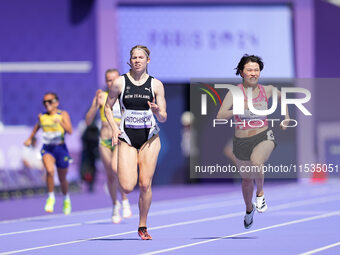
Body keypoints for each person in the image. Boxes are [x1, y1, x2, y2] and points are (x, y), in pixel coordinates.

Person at [216, 54, 289, 229]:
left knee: (257, 162)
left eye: (256, 70)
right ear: (242, 72)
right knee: (247, 179)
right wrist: (239, 108)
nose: (253, 73)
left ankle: (261, 193)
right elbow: (220, 115)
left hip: (263, 135)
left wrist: (286, 117)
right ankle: (249, 209)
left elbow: (284, 97)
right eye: (249, 70)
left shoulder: (268, 90)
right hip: (241, 141)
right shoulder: (234, 92)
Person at [104, 45, 167, 240]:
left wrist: (157, 110)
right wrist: (114, 129)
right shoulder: (119, 83)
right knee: (127, 186)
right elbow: (108, 107)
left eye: (141, 57)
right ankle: (125, 201)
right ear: (129, 61)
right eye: (134, 57)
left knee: (145, 184)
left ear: (148, 61)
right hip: (127, 138)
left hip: (150, 138)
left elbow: (164, 117)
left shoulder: (156, 85)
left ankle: (142, 225)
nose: (137, 60)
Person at [85, 69, 132, 223]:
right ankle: (114, 205)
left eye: (113, 79)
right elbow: (88, 121)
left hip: (120, 139)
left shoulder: (125, 96)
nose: (111, 83)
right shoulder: (101, 96)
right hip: (104, 140)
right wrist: (95, 105)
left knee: (115, 168)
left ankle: (125, 201)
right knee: (110, 176)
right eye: (108, 80)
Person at [24, 92, 73, 214]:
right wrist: (30, 138)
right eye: (44, 102)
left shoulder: (63, 114)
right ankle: (51, 197)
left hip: (61, 149)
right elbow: (37, 127)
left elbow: (70, 130)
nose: (47, 104)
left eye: (49, 101)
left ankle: (66, 199)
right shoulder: (42, 116)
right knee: (50, 171)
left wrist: (60, 122)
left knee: (62, 179)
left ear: (56, 102)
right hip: (48, 149)